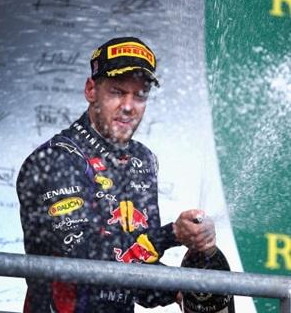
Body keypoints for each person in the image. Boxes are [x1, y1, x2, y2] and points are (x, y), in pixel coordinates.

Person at [17, 36, 216, 313]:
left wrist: (182, 289)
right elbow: (86, 262)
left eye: (140, 95)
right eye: (117, 92)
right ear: (90, 90)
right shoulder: (56, 158)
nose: (128, 105)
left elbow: (134, 271)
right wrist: (171, 234)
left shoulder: (142, 160)